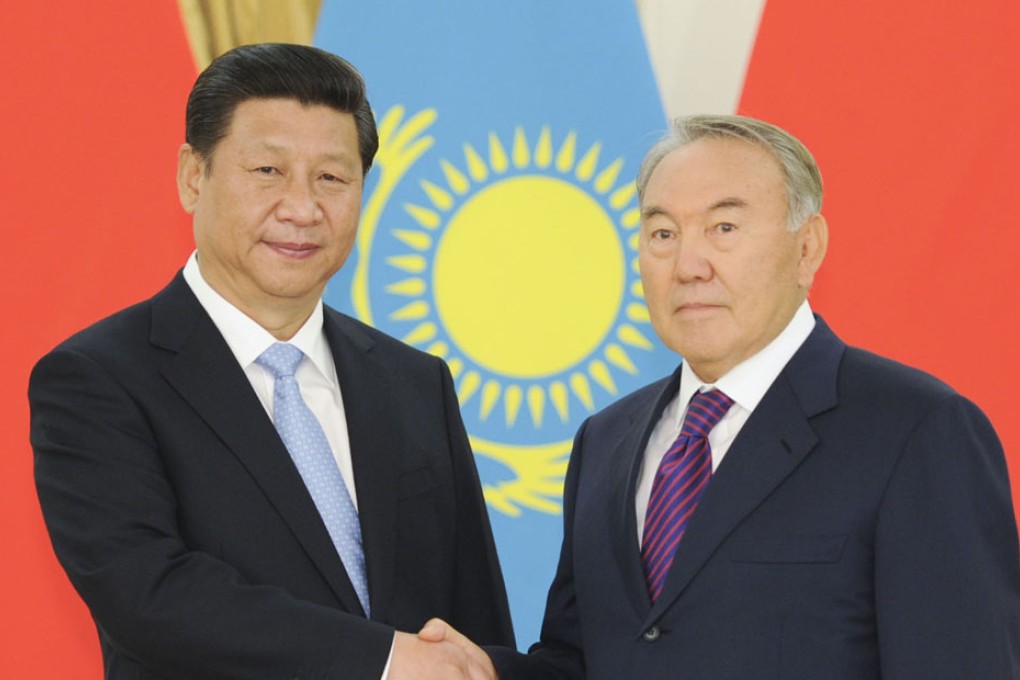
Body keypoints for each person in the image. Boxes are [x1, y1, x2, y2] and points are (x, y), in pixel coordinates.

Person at [423, 114, 1020, 678]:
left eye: (724, 228)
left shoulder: (917, 430)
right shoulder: (606, 441)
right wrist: (487, 671)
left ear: (807, 248)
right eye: (662, 233)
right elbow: (584, 660)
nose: (688, 265)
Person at [29, 43, 513, 680]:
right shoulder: (97, 379)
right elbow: (148, 597)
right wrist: (384, 660)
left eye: (332, 178)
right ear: (192, 176)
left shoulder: (413, 382)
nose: (303, 209)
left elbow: (472, 625)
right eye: (267, 171)